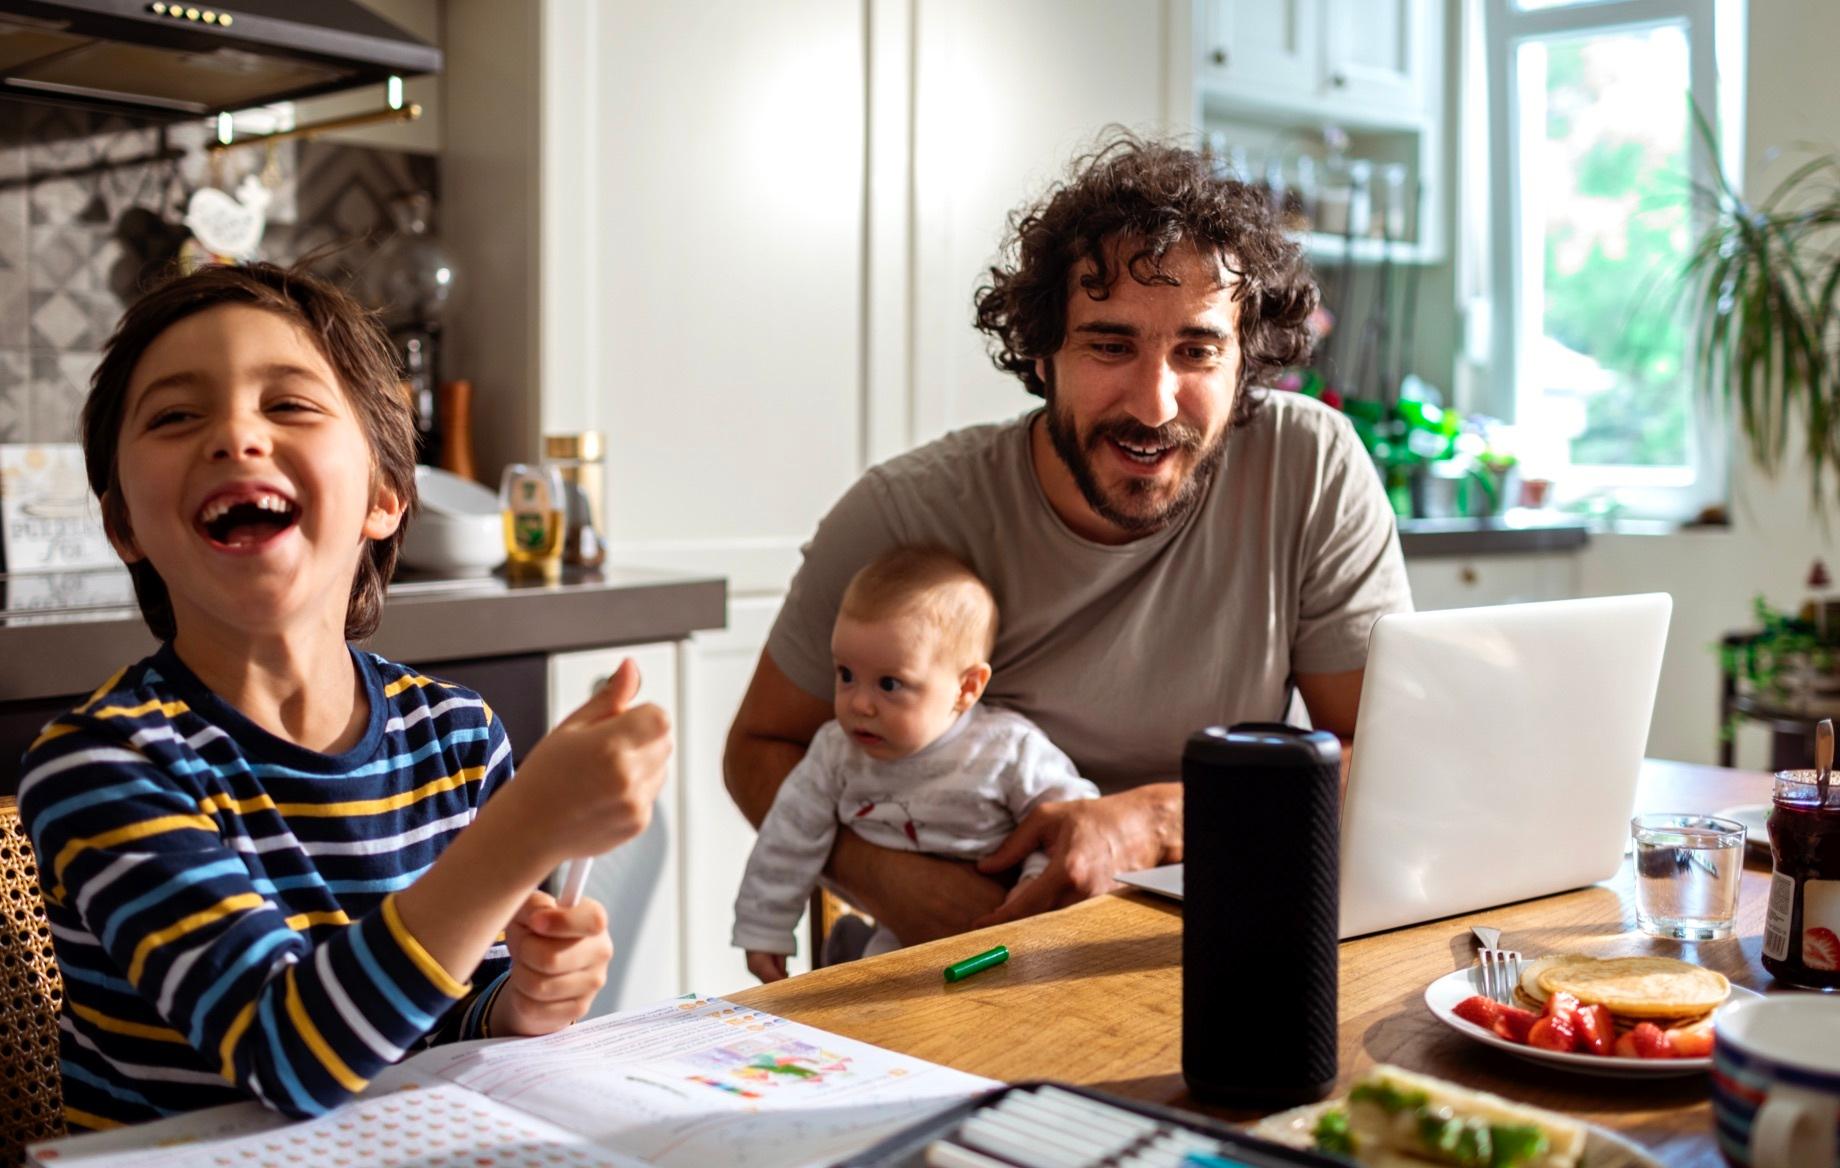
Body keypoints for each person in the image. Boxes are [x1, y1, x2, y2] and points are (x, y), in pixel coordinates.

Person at [16, 263, 673, 1131]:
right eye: (177, 416)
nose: (235, 436)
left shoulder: (457, 737)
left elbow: (435, 1019)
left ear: (387, 496)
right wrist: (528, 832)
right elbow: (285, 1054)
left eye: (288, 405)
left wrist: (519, 1004)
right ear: (123, 525)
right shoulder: (103, 763)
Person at [725, 134, 1410, 951]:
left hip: (1226, 926)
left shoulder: (1310, 467)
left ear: (1245, 360)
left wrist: (1159, 820)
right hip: (969, 953)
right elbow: (760, 747)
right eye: (1111, 345)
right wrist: (905, 889)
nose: (1155, 405)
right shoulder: (905, 514)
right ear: (1043, 352)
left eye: (1196, 350)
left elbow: (1387, 758)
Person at [732, 547, 1098, 982]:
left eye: (890, 684)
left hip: (1011, 927)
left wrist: (1030, 895)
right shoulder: (836, 753)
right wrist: (765, 929)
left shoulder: (1005, 749)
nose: (859, 703)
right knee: (880, 995)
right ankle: (849, 949)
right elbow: (789, 836)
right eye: (845, 674)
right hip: (898, 933)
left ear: (966, 688)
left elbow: (1075, 822)